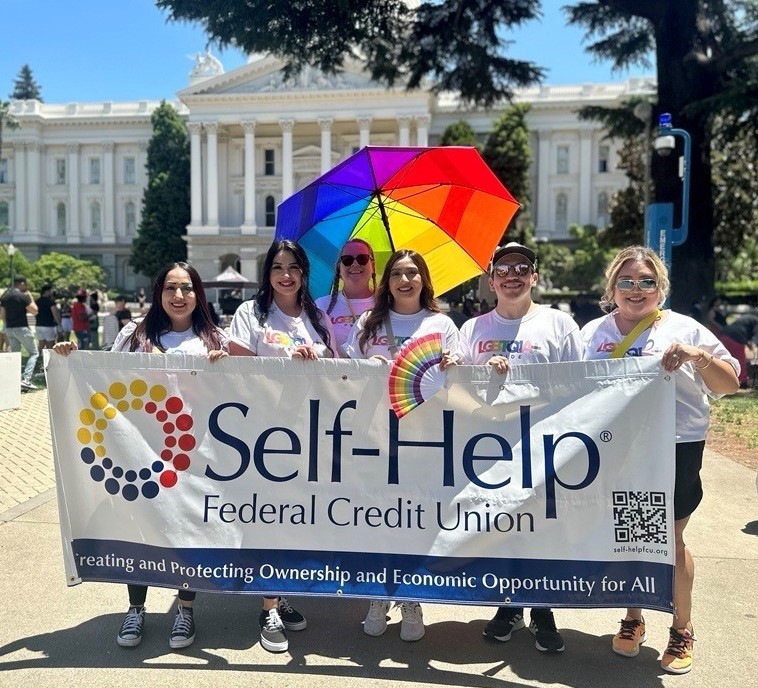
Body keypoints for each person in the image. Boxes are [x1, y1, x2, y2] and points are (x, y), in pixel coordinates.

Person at [53, 262, 229, 650]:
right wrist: (72, 357)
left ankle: (185, 608)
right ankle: (137, 608)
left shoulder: (214, 338)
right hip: (141, 450)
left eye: (186, 288)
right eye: (170, 288)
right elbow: (105, 374)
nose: (178, 296)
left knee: (185, 531)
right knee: (140, 526)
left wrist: (223, 366)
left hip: (193, 453)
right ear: (159, 292)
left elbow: (234, 391)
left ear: (198, 294)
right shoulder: (136, 333)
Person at [580, 246, 739, 674]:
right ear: (612, 287)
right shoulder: (592, 333)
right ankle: (634, 618)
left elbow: (729, 383)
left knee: (669, 539)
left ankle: (682, 629)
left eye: (646, 281)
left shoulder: (684, 329)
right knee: (632, 535)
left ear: (660, 288)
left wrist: (697, 356)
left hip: (675, 445)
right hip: (618, 446)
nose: (636, 289)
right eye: (627, 281)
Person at [458, 241, 584, 653]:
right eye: (504, 269)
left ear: (534, 277)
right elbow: (457, 386)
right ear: (491, 279)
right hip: (489, 445)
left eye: (521, 268)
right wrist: (484, 374)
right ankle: (509, 606)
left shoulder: (559, 324)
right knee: (503, 527)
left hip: (545, 442)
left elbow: (581, 383)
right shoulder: (473, 330)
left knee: (542, 526)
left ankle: (542, 608)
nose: (512, 275)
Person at [343, 249, 459, 642]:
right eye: (397, 274)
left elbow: (458, 379)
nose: (405, 280)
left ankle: (410, 596)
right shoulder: (367, 322)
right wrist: (366, 368)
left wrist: (450, 365)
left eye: (412, 273)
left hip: (424, 437)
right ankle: (378, 594)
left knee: (414, 517)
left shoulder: (441, 324)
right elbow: (342, 374)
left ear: (424, 279)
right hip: (374, 435)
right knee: (379, 515)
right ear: (386, 282)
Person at [228, 239, 336, 653]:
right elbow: (236, 370)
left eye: (293, 267)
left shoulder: (318, 317)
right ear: (267, 274)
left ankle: (280, 589)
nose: (286, 274)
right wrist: (281, 365)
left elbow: (341, 374)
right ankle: (268, 607)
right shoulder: (250, 315)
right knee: (265, 517)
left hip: (308, 432)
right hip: (262, 434)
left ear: (304, 273)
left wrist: (318, 358)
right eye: (277, 267)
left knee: (293, 519)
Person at [315, 238, 377, 356]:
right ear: (339, 267)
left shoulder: (387, 304)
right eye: (347, 260)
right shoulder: (321, 305)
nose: (355, 264)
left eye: (362, 258)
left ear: (372, 266)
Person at [0, 276, 40, 390]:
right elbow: (35, 311)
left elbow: (2, 315)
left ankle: (14, 380)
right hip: (22, 328)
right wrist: (30, 297)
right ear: (21, 283)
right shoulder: (22, 296)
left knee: (16, 355)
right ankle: (26, 379)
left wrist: (7, 326)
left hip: (10, 329)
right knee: (34, 353)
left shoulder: (6, 297)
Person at [722, 308, 758, 387]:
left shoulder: (746, 317)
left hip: (725, 335)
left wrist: (748, 344)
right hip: (736, 338)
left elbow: (744, 330)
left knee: (726, 359)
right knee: (741, 360)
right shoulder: (757, 319)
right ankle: (743, 381)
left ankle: (723, 379)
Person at [34, 284, 61, 358]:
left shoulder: (37, 301)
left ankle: (36, 359)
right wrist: (59, 324)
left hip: (38, 325)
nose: (52, 292)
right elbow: (55, 313)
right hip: (48, 326)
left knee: (41, 344)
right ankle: (49, 360)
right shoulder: (50, 301)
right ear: (46, 291)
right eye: (50, 291)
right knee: (50, 344)